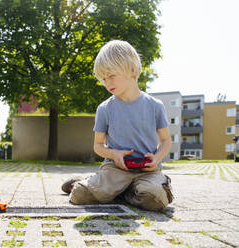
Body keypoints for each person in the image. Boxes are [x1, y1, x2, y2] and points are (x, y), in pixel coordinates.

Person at [61, 40, 174, 212]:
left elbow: (165, 141)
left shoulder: (155, 106)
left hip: (147, 171)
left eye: (111, 76)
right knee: (79, 196)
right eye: (103, 78)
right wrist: (114, 154)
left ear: (132, 70)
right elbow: (98, 146)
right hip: (115, 169)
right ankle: (88, 182)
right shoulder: (105, 109)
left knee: (155, 200)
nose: (107, 83)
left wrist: (157, 159)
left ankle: (126, 191)